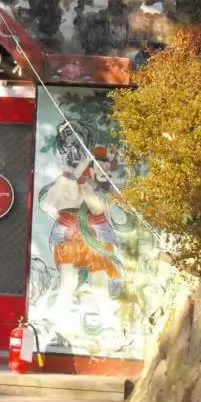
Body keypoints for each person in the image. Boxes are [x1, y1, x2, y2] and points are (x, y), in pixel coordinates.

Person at [39, 121, 122, 335]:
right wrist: (60, 215)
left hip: (94, 230)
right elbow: (46, 204)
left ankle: (110, 324)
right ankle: (56, 320)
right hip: (70, 232)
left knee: (98, 283)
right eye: (68, 147)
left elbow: (98, 208)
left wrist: (85, 182)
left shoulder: (92, 174)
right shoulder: (65, 180)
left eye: (77, 145)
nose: (73, 151)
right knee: (68, 282)